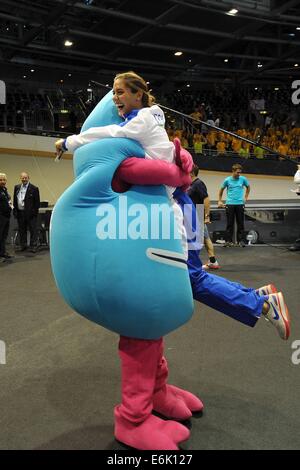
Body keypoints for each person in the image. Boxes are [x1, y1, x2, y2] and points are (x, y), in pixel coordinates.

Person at [55, 71, 290, 450]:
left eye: (121, 93)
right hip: (155, 235)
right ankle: (138, 412)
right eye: (113, 94)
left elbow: (154, 156)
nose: (117, 100)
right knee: (171, 299)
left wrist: (71, 140)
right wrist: (176, 169)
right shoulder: (135, 139)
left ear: (136, 94)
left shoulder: (143, 121)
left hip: (170, 226)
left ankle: (155, 394)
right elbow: (156, 162)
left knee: (174, 297)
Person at [188, 164, 220, 270]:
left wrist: (207, 215)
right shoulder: (191, 184)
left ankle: (197, 264)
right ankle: (213, 261)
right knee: (205, 238)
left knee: (199, 239)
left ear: (192, 172)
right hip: (192, 213)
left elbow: (206, 199)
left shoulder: (198, 183)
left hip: (198, 213)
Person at [218, 163, 250, 246]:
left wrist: (246, 197)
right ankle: (228, 241)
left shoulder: (243, 179)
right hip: (230, 204)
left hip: (240, 204)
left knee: (240, 223)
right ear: (233, 171)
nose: (239, 174)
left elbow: (248, 187)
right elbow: (221, 190)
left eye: (240, 172)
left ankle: (241, 241)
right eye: (237, 172)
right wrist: (219, 200)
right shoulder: (227, 180)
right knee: (229, 223)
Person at [13, 172, 40, 253]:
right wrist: (15, 211)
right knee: (22, 230)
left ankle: (33, 246)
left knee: (32, 230)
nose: (24, 179)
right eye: (22, 178)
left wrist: (34, 213)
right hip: (20, 213)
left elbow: (37, 203)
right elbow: (15, 200)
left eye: (25, 178)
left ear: (28, 178)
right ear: (20, 178)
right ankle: (23, 245)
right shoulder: (17, 187)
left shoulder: (34, 188)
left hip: (31, 214)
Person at [0, 173, 13, 260]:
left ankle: (2, 252)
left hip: (6, 216)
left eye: (4, 180)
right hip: (0, 216)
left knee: (4, 236)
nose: (3, 181)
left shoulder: (4, 189)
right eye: (0, 180)